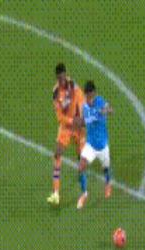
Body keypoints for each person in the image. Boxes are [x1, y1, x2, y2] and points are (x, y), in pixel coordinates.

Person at [47, 63, 85, 205]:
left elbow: (81, 101)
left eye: (63, 77)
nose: (62, 81)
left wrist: (82, 118)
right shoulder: (56, 93)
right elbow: (59, 117)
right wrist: (72, 121)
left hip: (78, 127)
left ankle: (83, 183)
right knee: (57, 154)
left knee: (81, 157)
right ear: (57, 78)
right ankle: (56, 193)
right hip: (66, 128)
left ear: (65, 74)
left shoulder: (74, 87)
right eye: (59, 79)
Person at [77, 80, 113, 210]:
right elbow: (83, 122)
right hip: (90, 145)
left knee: (106, 168)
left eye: (90, 96)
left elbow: (111, 110)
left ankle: (108, 184)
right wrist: (78, 123)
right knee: (81, 167)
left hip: (102, 145)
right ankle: (84, 194)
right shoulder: (84, 107)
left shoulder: (100, 102)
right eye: (87, 96)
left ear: (94, 93)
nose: (88, 99)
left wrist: (105, 110)